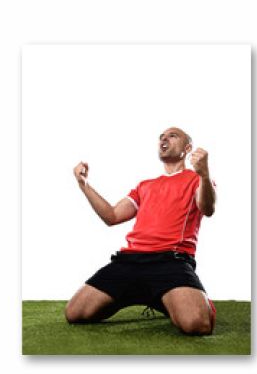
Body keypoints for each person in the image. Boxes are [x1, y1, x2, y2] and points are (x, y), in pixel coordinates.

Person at [65, 127, 216, 335]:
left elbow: (208, 208)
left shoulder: (196, 180)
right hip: (130, 261)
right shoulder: (145, 186)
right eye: (161, 137)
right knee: (75, 313)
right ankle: (144, 293)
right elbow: (112, 216)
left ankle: (166, 298)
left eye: (172, 136)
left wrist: (205, 175)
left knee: (197, 324)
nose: (164, 139)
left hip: (170, 260)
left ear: (187, 148)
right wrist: (84, 185)